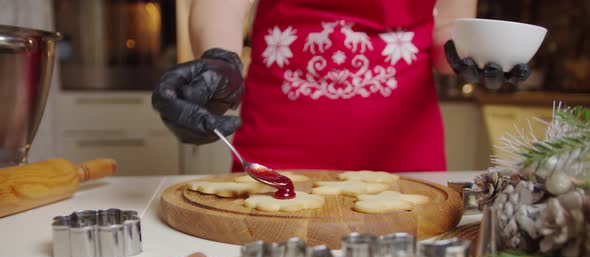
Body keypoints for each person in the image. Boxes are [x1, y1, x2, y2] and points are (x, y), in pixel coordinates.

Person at [152, 0, 530, 173]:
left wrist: (468, 57)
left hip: (403, 152)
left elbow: (448, 24)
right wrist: (221, 60)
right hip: (276, 148)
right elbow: (223, 5)